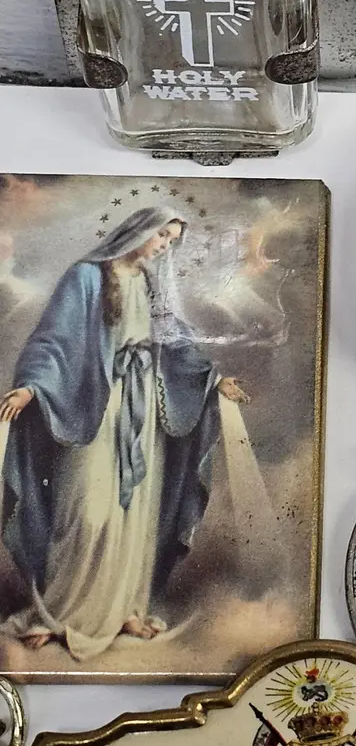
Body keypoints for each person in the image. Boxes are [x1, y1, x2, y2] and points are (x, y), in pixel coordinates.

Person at [0, 207, 250, 661]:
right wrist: (32, 386)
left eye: (172, 241)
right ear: (139, 230)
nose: (164, 246)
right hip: (98, 404)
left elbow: (177, 343)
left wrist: (215, 380)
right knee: (88, 510)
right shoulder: (85, 277)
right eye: (162, 236)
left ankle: (126, 608)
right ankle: (59, 613)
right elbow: (53, 339)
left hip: (144, 406)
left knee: (137, 511)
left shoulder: (152, 284)